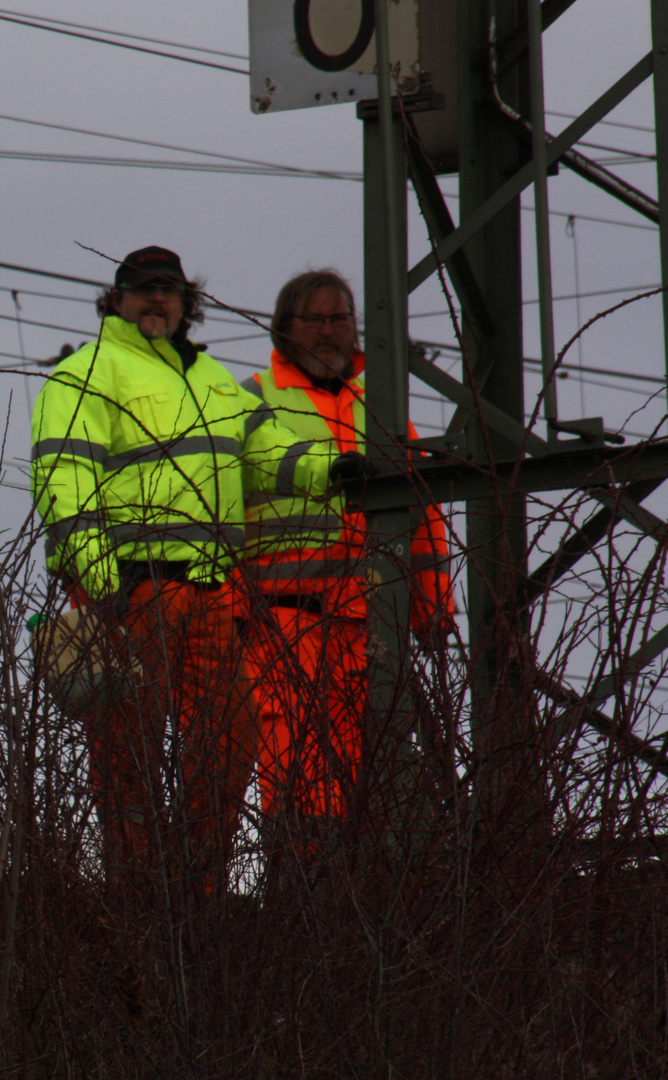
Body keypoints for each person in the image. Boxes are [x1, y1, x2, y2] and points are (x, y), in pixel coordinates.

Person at [30, 246, 361, 896]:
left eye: (168, 291)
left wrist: (330, 471)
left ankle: (193, 889)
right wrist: (102, 585)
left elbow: (268, 451)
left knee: (230, 740)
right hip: (131, 588)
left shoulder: (211, 380)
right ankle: (137, 892)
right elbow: (63, 478)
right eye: (142, 290)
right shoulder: (88, 373)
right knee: (128, 755)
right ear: (117, 300)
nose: (157, 301)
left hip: (209, 590)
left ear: (187, 303)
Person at [239, 269, 453, 858]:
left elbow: (422, 514)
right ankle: (307, 889)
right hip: (282, 620)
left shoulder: (380, 403)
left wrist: (433, 606)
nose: (330, 331)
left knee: (379, 765)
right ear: (285, 328)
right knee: (295, 763)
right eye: (316, 319)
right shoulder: (252, 399)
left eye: (340, 319)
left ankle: (369, 891)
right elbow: (223, 509)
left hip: (372, 620)